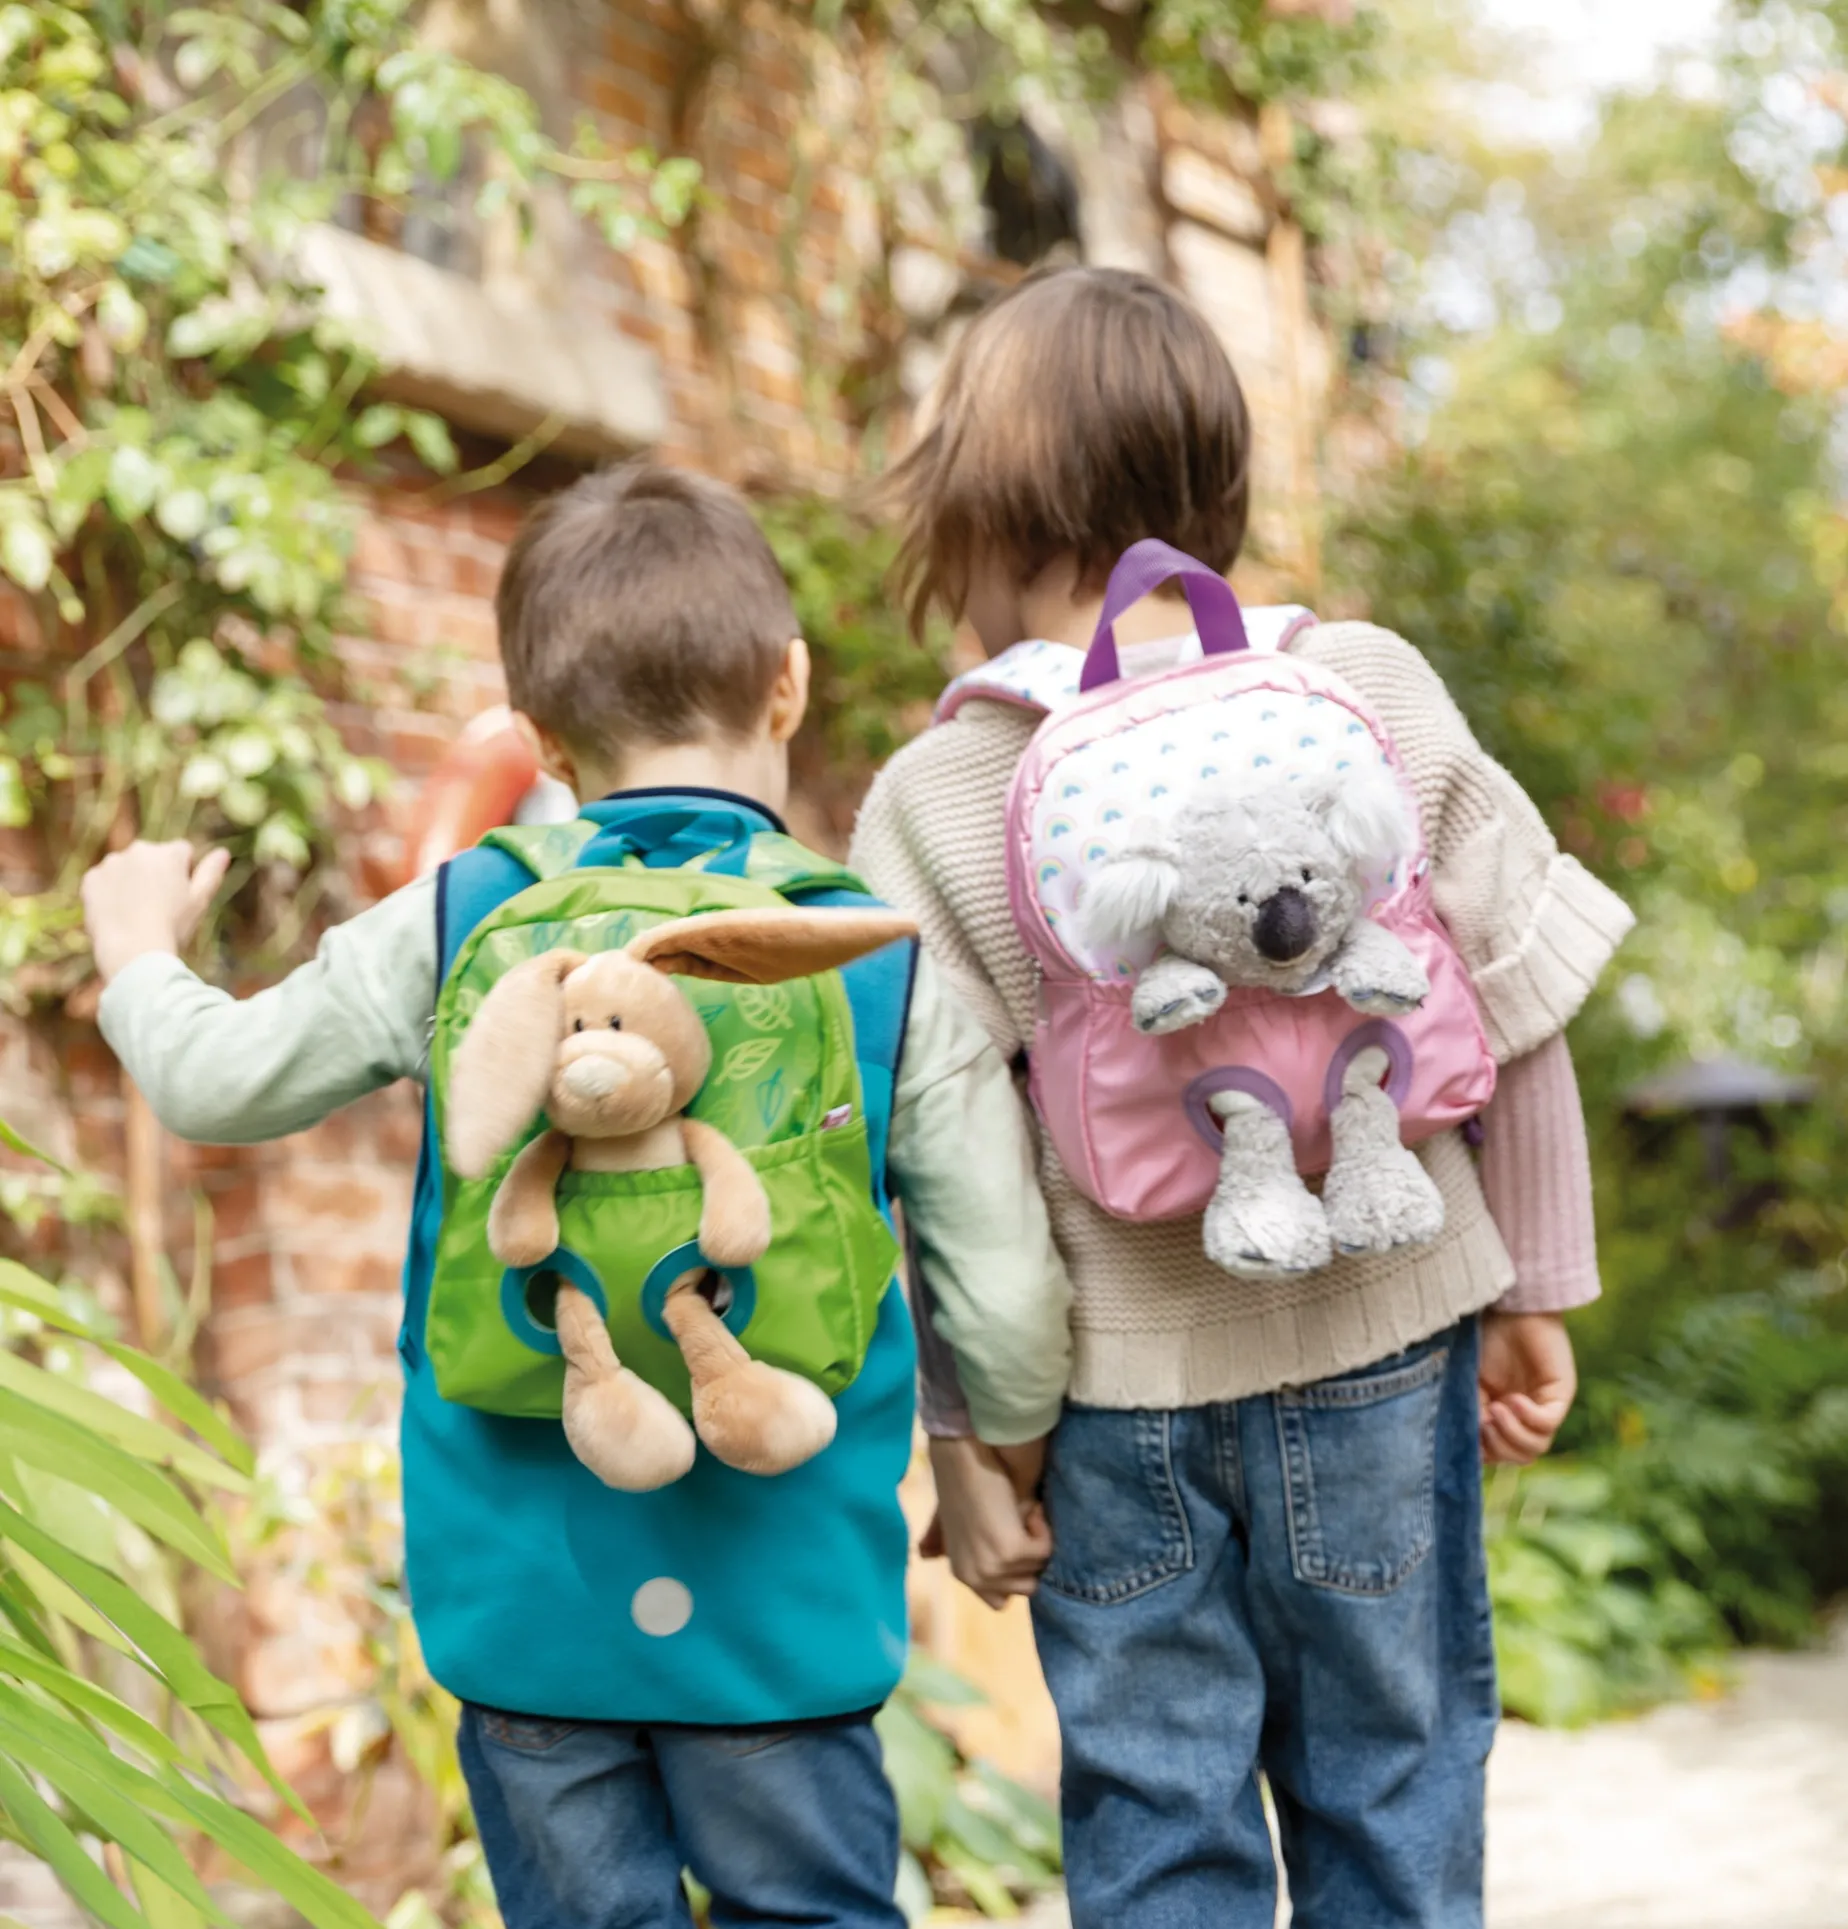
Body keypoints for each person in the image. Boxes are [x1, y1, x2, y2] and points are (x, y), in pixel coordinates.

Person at [81, 462, 1072, 1929]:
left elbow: (220, 1083)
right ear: (788, 689)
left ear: (539, 740)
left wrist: (136, 952)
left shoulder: (456, 920)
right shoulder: (869, 949)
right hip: (782, 1611)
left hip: (526, 1597)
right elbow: (1008, 1291)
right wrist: (1004, 1468)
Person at [850, 266, 1635, 1929]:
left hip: (1116, 1409)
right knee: (1396, 1787)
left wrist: (974, 1440)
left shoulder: (941, 792)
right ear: (1217, 485)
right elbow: (1518, 992)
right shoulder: (1362, 685)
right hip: (1381, 1333)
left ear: (976, 507)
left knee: (1159, 1822)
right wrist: (1534, 1289)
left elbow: (940, 1154)